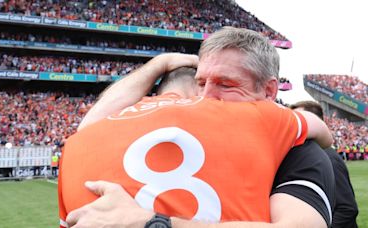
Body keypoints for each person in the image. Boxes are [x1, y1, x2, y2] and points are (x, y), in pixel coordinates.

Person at [65, 27, 335, 228]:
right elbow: (87, 130)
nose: (206, 97)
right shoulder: (177, 126)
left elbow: (87, 130)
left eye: (225, 84)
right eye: (201, 82)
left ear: (269, 91)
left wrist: (154, 223)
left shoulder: (295, 147)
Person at [290, 100, 359, 228]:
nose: (296, 125)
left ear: (316, 122)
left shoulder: (328, 158)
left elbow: (347, 208)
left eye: (300, 119)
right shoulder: (308, 154)